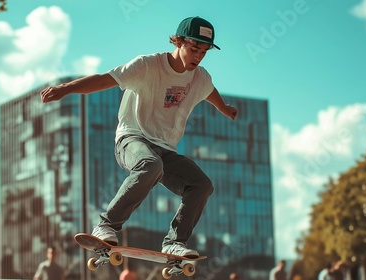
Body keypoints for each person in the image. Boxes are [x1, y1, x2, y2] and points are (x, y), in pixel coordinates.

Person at [41, 16, 237, 257]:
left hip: (166, 150)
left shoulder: (201, 77)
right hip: (132, 139)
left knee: (202, 184)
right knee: (150, 165)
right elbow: (105, 79)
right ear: (177, 41)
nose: (198, 56)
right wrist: (65, 88)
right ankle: (106, 226)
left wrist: (224, 108)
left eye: (204, 52)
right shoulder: (147, 65)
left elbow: (210, 91)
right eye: (194, 49)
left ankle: (175, 242)